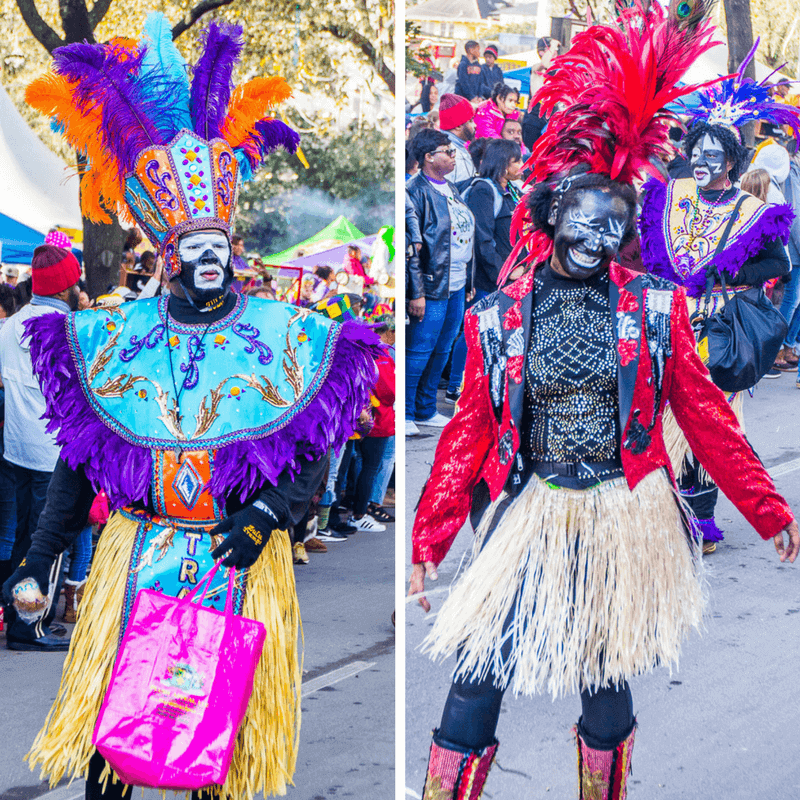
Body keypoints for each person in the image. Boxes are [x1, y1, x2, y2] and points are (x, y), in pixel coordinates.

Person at [408, 9, 798, 800]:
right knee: (479, 674)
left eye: (612, 231)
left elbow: (707, 417)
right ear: (550, 217)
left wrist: (768, 510)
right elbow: (467, 431)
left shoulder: (654, 310)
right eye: (584, 227)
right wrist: (431, 534)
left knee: (604, 686)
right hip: (529, 507)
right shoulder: (501, 316)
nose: (597, 242)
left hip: (622, 513)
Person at [8, 16, 381, 800]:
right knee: (116, 743)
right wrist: (39, 557)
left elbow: (313, 441)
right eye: (194, 248)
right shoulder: (115, 337)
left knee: (219, 747)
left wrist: (271, 512)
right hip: (138, 558)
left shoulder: (286, 334)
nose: (211, 259)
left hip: (237, 561)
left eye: (220, 244)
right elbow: (85, 458)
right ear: (169, 257)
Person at [639, 46, 797, 553]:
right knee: (658, 416)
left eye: (713, 156)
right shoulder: (671, 195)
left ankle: (701, 516)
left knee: (706, 422)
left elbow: (781, 265)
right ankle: (665, 507)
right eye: (696, 152)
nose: (702, 162)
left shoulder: (754, 210)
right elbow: (647, 253)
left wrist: (727, 272)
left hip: (718, 330)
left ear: (731, 162)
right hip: (666, 321)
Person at [0, 244, 81, 651]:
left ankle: (17, 614)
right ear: (68, 285)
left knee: (23, 538)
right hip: (53, 454)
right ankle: (28, 626)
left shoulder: (10, 325)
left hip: (15, 449)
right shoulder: (67, 330)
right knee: (47, 543)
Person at [405, 128, 474, 436]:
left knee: (443, 348)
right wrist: (417, 293)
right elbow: (414, 249)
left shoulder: (452, 188)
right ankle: (406, 411)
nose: (453, 155)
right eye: (448, 150)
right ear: (429, 157)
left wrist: (468, 279)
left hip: (456, 282)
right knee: (420, 349)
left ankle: (426, 408)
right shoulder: (415, 191)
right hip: (432, 286)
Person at [447, 140, 524, 403]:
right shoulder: (484, 190)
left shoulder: (513, 191)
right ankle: (455, 386)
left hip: (511, 277)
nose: (521, 165)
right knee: (474, 332)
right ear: (502, 164)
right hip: (488, 278)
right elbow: (483, 239)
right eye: (516, 161)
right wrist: (504, 271)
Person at [438, 94, 477, 185]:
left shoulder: (458, 147)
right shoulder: (448, 153)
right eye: (471, 121)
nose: (475, 125)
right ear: (458, 126)